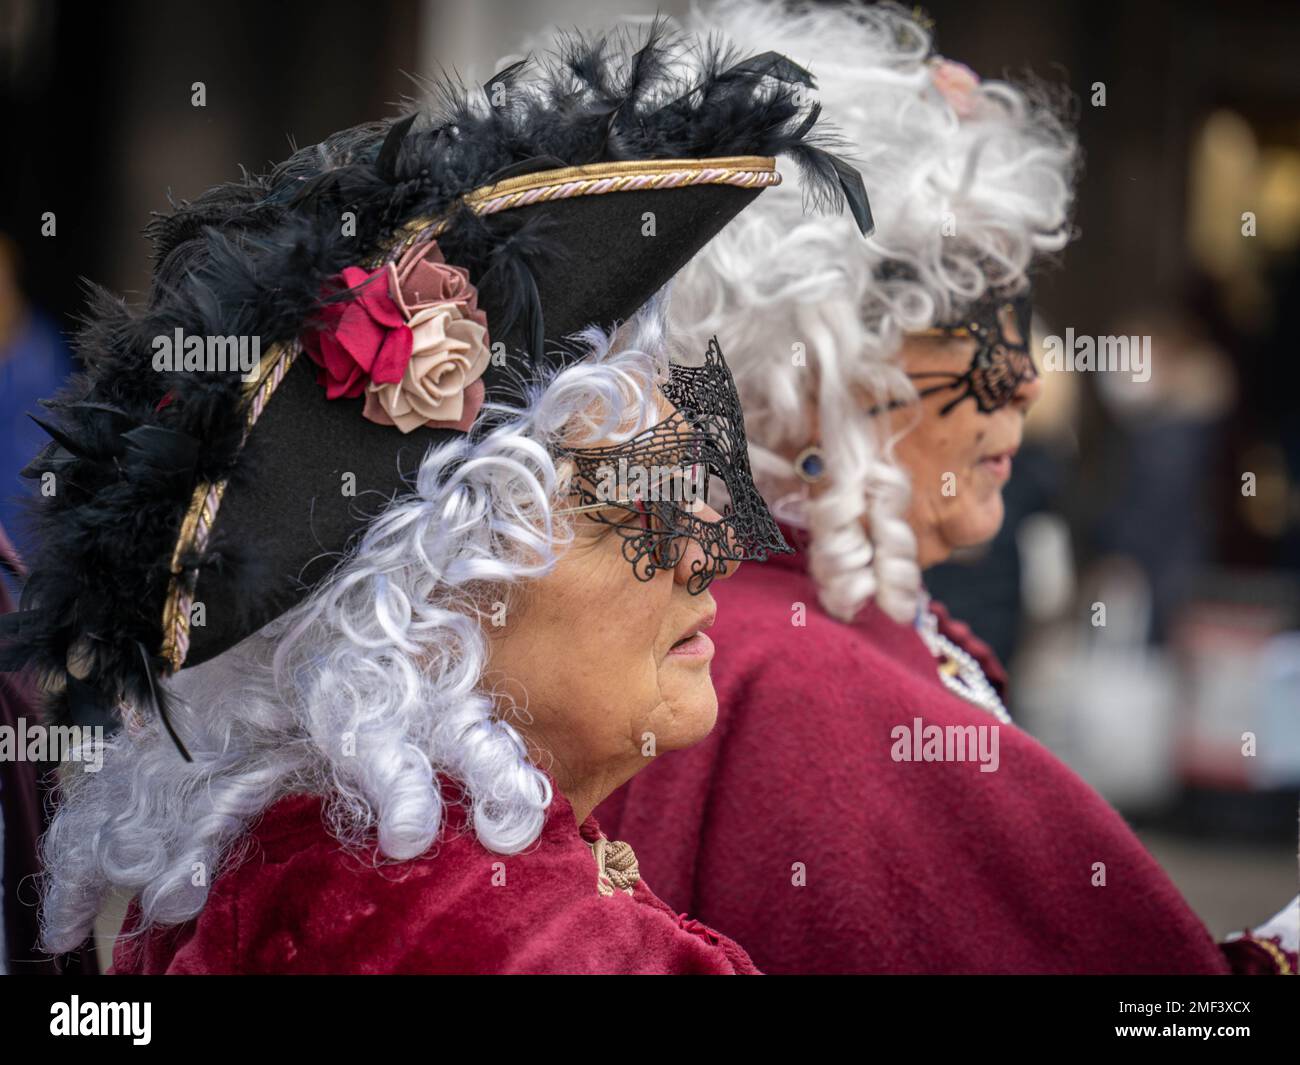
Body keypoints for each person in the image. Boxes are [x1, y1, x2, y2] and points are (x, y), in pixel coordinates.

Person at [1, 24, 871, 974]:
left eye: (692, 478)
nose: (713, 550)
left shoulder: (321, 871)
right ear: (423, 610)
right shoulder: (497, 937)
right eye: (636, 501)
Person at [596, 1, 1296, 975]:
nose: (1024, 379)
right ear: (806, 368)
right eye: (971, 326)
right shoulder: (802, 687)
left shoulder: (733, 619)